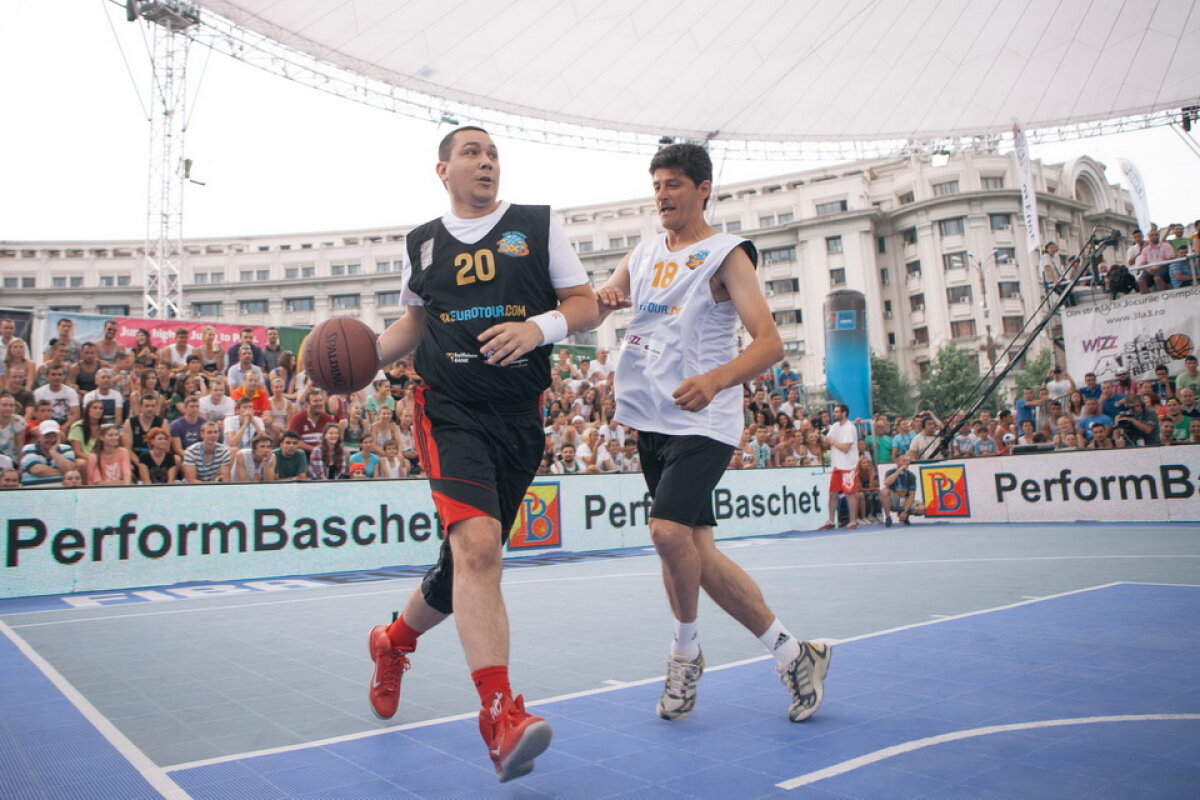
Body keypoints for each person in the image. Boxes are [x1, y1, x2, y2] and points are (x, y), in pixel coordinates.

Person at [364, 126, 596, 783]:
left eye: (492, 153)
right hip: (449, 408)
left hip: (519, 416)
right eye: (472, 152)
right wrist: (363, 359)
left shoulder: (536, 226)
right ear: (443, 170)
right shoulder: (424, 242)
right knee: (480, 550)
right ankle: (500, 716)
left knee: (461, 567)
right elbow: (416, 320)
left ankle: (393, 641)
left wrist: (537, 326)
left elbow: (584, 305)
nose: (486, 162)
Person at [596, 143, 829, 727]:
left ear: (703, 189)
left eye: (674, 184)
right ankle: (793, 653)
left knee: (666, 531)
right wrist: (581, 305)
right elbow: (599, 303)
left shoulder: (727, 255)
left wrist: (716, 379)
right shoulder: (645, 252)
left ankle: (684, 654)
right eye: (656, 185)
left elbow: (770, 343)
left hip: (706, 418)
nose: (662, 195)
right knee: (694, 550)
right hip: (652, 417)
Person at [820, 404, 860, 530]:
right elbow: (827, 440)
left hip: (849, 466)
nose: (834, 414)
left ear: (844, 413)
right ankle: (831, 521)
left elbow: (845, 448)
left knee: (850, 494)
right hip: (837, 465)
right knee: (832, 493)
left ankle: (853, 521)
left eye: (837, 412)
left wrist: (831, 441)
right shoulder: (835, 426)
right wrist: (820, 436)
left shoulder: (850, 428)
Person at [20, 420, 77, 488]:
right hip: (33, 492)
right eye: (47, 436)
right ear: (39, 437)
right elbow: (38, 470)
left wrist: (53, 452)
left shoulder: (66, 448)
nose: (52, 439)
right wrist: (64, 472)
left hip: (60, 492)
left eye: (54, 436)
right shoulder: (29, 448)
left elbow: (69, 469)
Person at [881, 452, 921, 526]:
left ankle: (905, 515)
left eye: (908, 461)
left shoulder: (911, 475)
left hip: (905, 499)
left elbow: (912, 494)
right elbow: (886, 483)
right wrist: (899, 471)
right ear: (897, 461)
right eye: (904, 460)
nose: (907, 463)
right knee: (884, 491)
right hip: (894, 500)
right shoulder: (890, 472)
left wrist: (905, 511)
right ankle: (888, 517)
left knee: (921, 508)